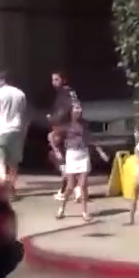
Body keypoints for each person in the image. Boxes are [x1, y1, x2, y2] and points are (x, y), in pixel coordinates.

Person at [50, 103, 107, 221]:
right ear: (71, 111)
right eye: (76, 108)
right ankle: (62, 208)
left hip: (83, 154)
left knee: (83, 185)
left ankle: (85, 212)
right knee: (70, 186)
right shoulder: (66, 125)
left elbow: (91, 138)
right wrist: (56, 150)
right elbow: (51, 135)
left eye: (80, 107)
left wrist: (101, 152)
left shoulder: (85, 124)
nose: (79, 110)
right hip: (72, 155)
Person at [0, 71, 27, 200]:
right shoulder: (20, 94)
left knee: (0, 160)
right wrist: (23, 132)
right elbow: (23, 115)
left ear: (3, 80)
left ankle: (4, 180)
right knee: (13, 163)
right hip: (17, 130)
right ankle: (11, 187)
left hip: (2, 131)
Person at [48, 71, 84, 203]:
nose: (53, 83)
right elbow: (77, 108)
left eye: (56, 79)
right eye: (53, 80)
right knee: (68, 159)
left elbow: (64, 111)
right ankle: (75, 189)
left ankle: (67, 188)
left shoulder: (64, 94)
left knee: (59, 157)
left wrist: (53, 119)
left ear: (64, 80)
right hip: (71, 129)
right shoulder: (71, 93)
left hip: (64, 128)